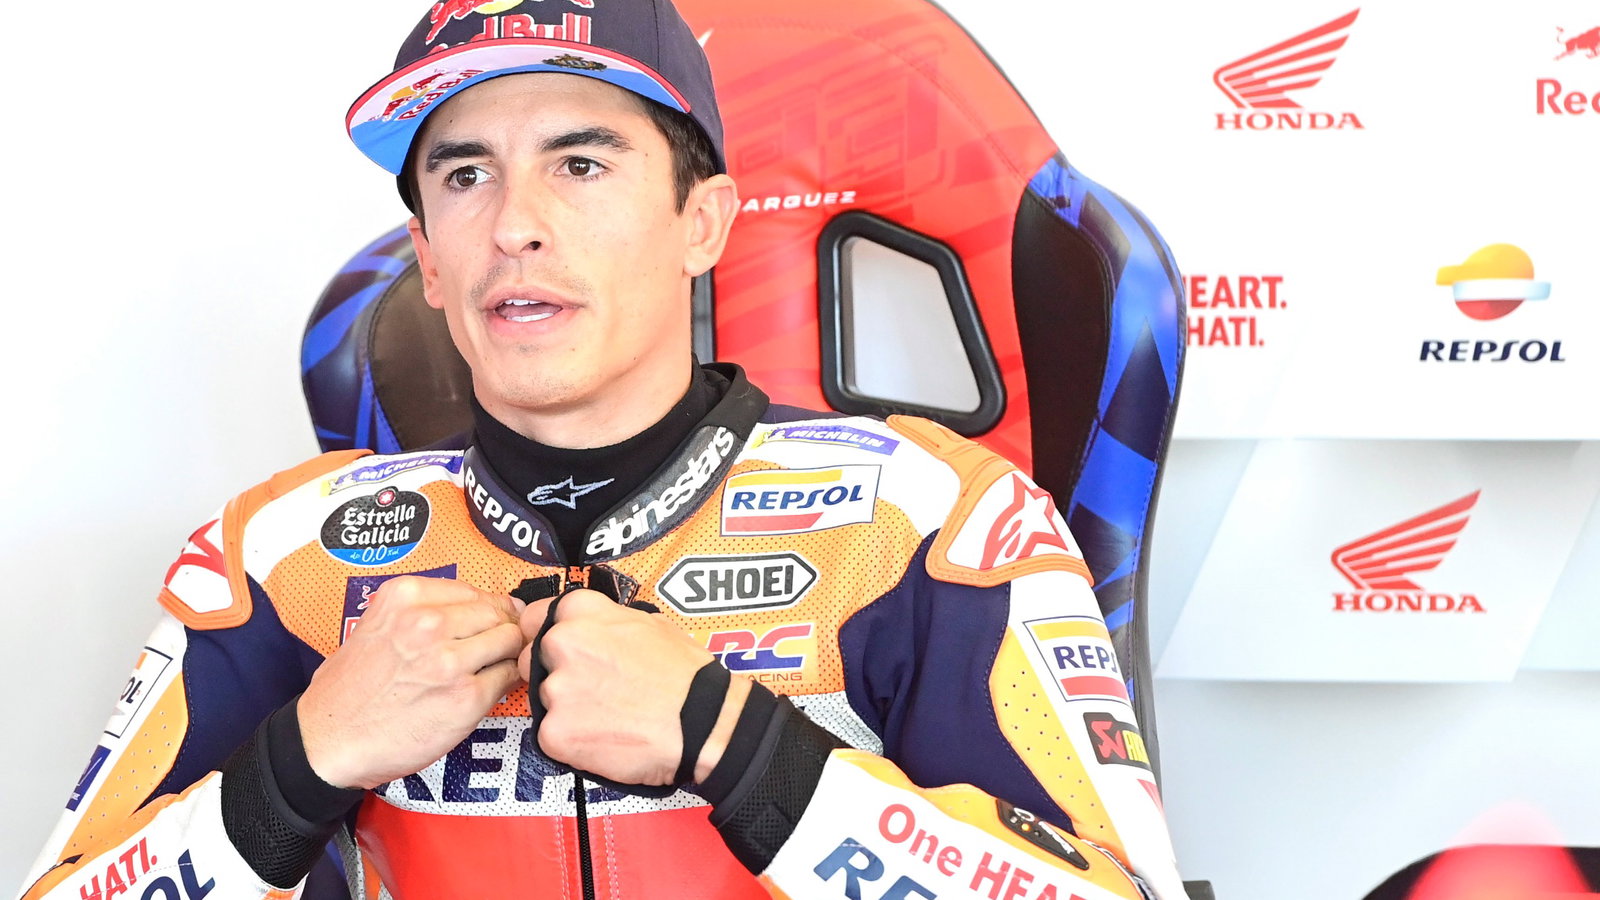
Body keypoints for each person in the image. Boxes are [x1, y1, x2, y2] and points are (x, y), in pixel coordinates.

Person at [19, 1, 1191, 898]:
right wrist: (304, 760)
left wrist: (737, 745)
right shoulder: (280, 555)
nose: (515, 225)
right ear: (427, 259)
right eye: (464, 175)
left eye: (580, 163)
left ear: (702, 222)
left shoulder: (936, 520)